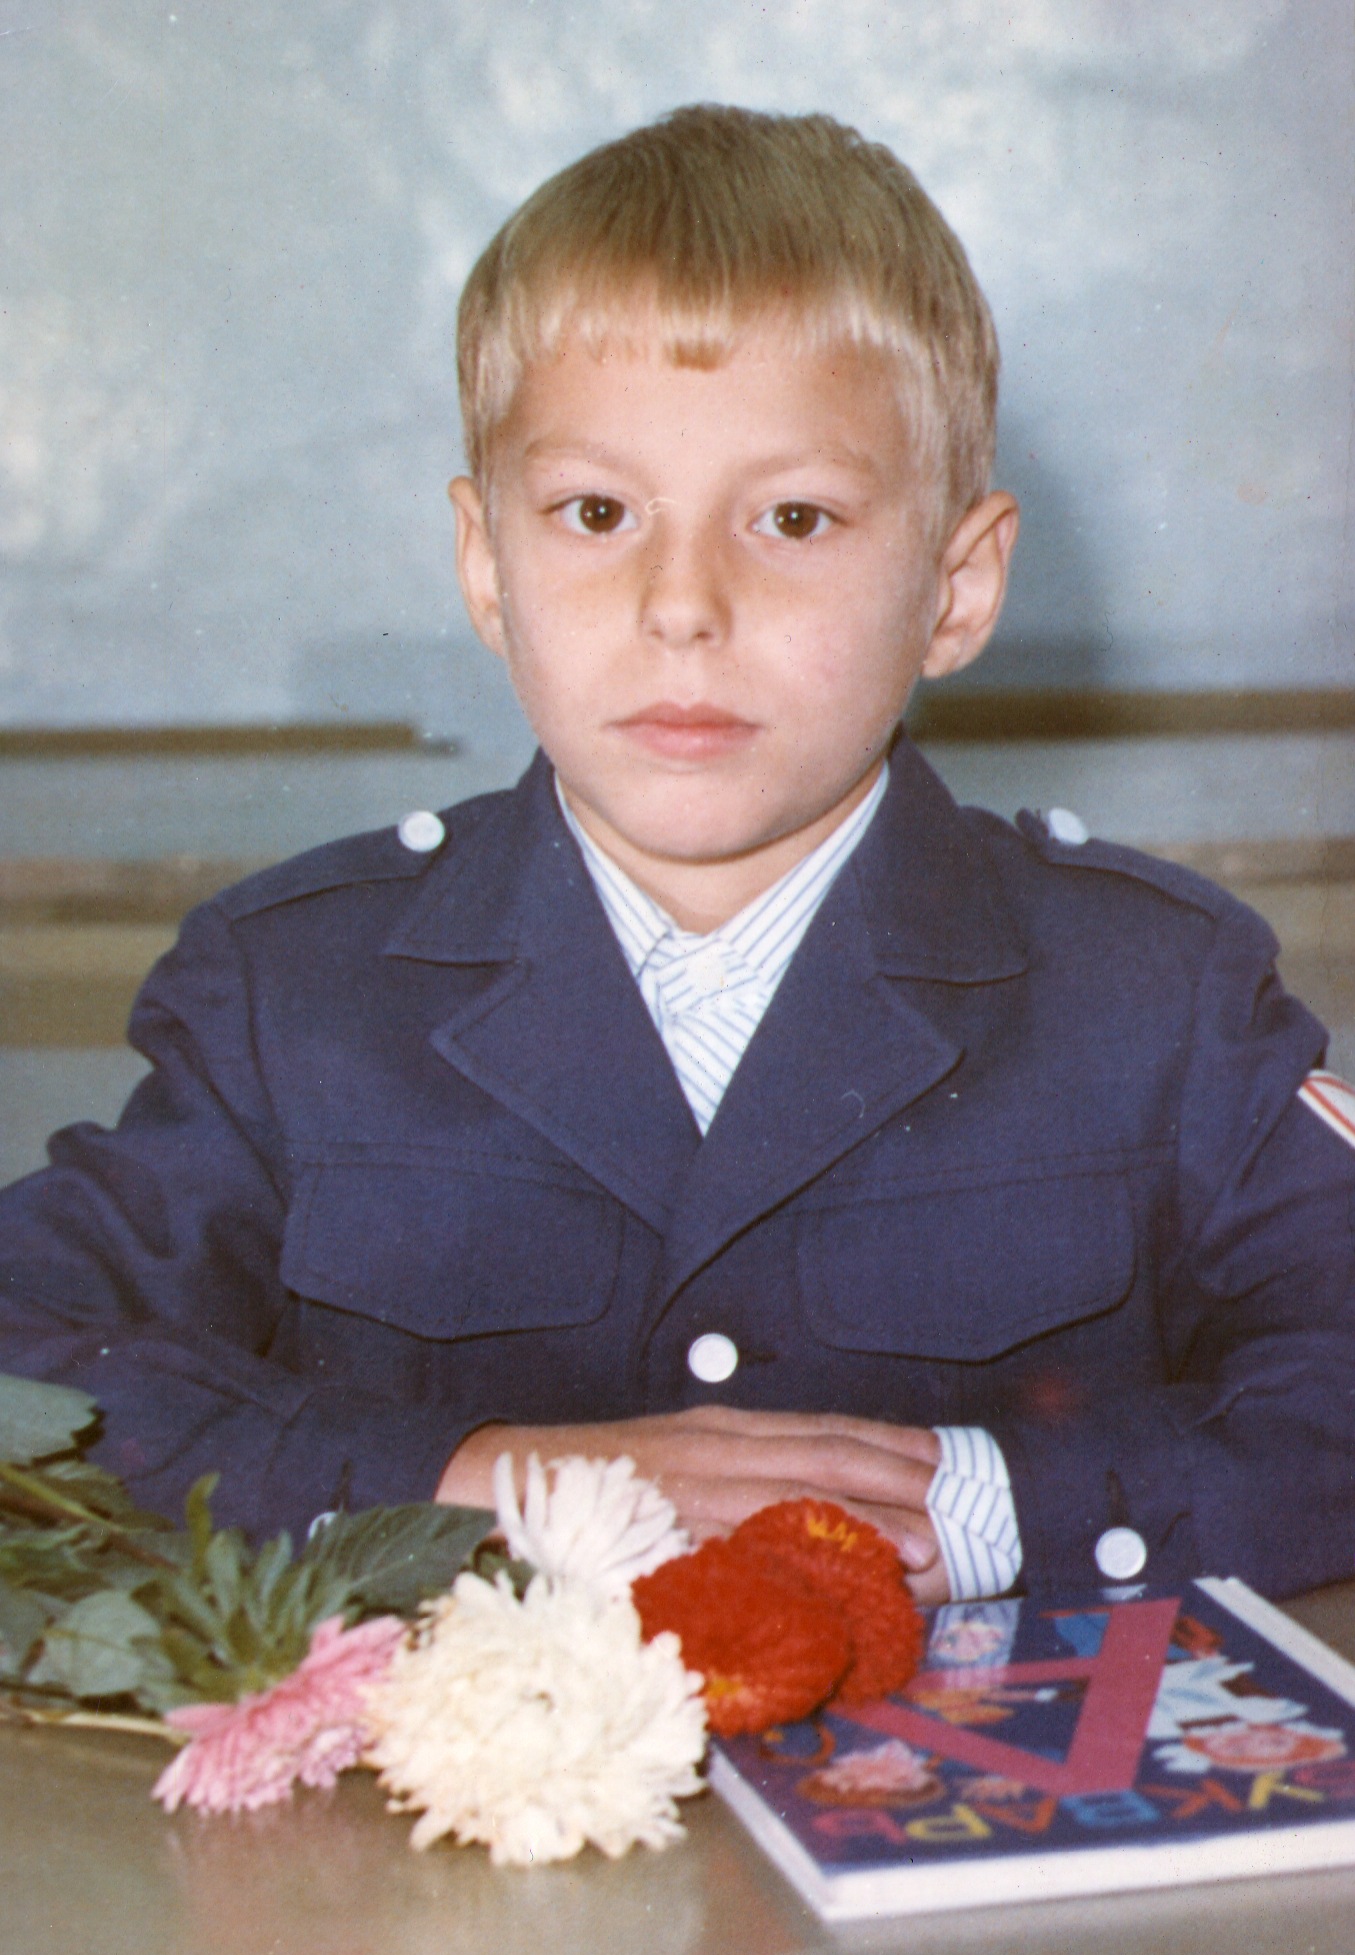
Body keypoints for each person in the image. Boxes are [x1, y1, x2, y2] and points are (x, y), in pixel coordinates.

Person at [2, 106, 1353, 1604]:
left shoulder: (1153, 995)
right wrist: (479, 1486)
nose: (683, 604)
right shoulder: (293, 995)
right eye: (596, 512)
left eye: (793, 517)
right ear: (487, 568)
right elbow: (27, 1359)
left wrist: (978, 1511)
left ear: (956, 588)